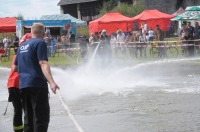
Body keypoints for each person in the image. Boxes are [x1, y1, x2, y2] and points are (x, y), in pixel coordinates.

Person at [14, 23, 59, 132]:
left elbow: (15, 68)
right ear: (43, 33)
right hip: (37, 85)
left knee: (28, 119)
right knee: (41, 118)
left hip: (23, 86)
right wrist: (52, 82)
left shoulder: (21, 47)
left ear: (31, 33)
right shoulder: (40, 43)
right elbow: (43, 63)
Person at [7, 33, 32, 132]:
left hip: (12, 85)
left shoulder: (19, 53)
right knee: (25, 110)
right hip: (19, 85)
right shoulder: (23, 54)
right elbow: (15, 68)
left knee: (18, 110)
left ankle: (19, 130)